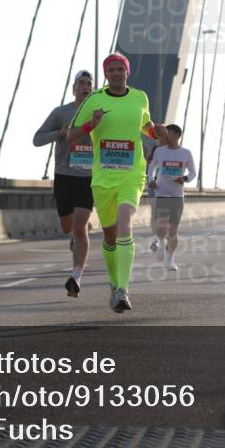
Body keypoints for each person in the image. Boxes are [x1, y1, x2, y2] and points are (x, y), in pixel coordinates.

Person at [68, 53, 169, 313]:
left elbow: (145, 126)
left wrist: (156, 131)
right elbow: (71, 136)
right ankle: (114, 284)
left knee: (125, 224)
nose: (116, 73)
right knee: (110, 236)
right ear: (105, 74)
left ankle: (123, 289)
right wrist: (92, 123)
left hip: (132, 173)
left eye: (119, 69)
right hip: (103, 178)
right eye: (111, 70)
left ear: (127, 72)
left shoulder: (140, 97)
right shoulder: (94, 99)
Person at [33, 70, 95, 298]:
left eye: (89, 83)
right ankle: (75, 235)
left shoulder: (99, 114)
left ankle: (76, 276)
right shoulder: (61, 112)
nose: (85, 86)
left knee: (80, 228)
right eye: (81, 83)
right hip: (64, 175)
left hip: (88, 177)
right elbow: (37, 139)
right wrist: (59, 132)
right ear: (74, 88)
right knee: (68, 227)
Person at [147, 124, 196, 271]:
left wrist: (185, 178)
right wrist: (151, 180)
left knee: (173, 230)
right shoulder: (160, 152)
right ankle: (161, 244)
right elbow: (152, 167)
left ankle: (170, 259)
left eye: (168, 133)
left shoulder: (186, 153)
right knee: (161, 226)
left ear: (176, 135)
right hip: (161, 193)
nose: (166, 135)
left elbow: (193, 172)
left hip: (177, 196)